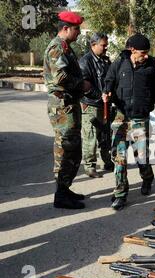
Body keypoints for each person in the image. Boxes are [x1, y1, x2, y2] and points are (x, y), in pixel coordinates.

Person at [103, 33, 155, 211]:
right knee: (119, 157)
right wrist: (107, 90)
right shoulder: (119, 63)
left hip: (140, 118)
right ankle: (120, 193)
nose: (145, 55)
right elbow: (109, 80)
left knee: (141, 157)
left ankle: (147, 178)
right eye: (143, 52)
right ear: (132, 50)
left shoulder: (151, 67)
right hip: (120, 117)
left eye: (147, 52)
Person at [44, 11, 91, 209]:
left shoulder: (66, 47)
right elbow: (59, 78)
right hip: (63, 107)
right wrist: (82, 85)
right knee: (66, 150)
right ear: (65, 29)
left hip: (69, 105)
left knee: (72, 149)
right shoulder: (57, 47)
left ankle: (65, 189)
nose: (79, 33)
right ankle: (61, 195)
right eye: (76, 29)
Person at [79, 32, 113, 178]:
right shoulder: (85, 62)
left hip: (106, 105)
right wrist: (100, 95)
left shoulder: (105, 61)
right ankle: (90, 166)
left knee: (105, 134)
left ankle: (107, 160)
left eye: (106, 45)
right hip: (91, 104)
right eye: (103, 45)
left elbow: (111, 79)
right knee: (91, 136)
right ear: (93, 45)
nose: (106, 48)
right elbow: (85, 85)